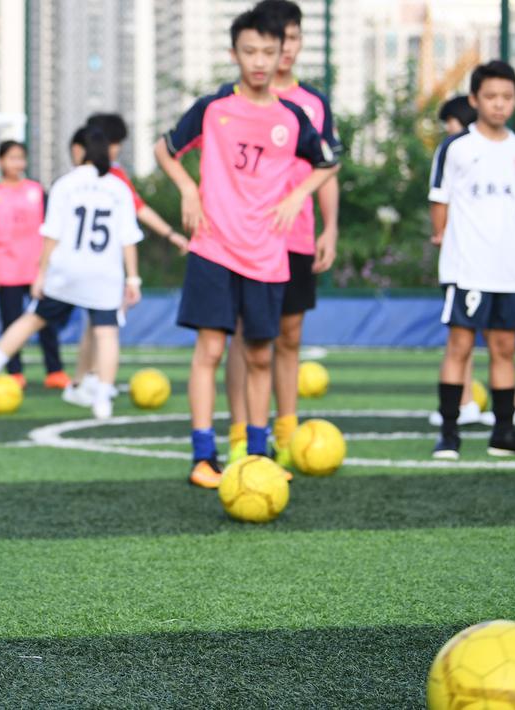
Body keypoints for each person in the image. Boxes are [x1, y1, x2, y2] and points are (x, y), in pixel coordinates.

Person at [154, 9, 339, 489]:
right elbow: (164, 148)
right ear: (233, 54)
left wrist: (299, 195)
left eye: (268, 52)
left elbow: (328, 161)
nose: (259, 61)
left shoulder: (292, 117)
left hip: (267, 255)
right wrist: (188, 190)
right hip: (213, 247)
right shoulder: (214, 108)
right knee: (211, 348)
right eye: (250, 51)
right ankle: (203, 456)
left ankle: (258, 454)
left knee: (260, 354)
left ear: (283, 55)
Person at [224, 0, 344, 467]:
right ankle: (240, 435)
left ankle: (287, 432)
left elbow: (327, 168)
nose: (286, 49)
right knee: (245, 336)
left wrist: (329, 227)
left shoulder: (313, 102)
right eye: (280, 41)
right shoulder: (231, 100)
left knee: (289, 336)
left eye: (293, 39)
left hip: (295, 237)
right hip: (246, 239)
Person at [0, 128, 143, 420]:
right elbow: (129, 237)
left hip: (68, 269)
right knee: (106, 334)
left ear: (80, 151)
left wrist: (41, 273)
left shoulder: (66, 184)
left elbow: (51, 234)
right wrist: (133, 278)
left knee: (33, 318)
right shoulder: (118, 189)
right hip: (105, 273)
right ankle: (102, 398)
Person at [428, 61, 515, 460]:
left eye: (507, 98)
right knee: (459, 346)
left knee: (504, 349)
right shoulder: (456, 148)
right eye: (491, 97)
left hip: (510, 269)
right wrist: (444, 242)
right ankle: (449, 433)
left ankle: (504, 433)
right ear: (475, 100)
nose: (500, 105)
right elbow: (440, 200)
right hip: (468, 268)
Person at [61, 114, 188, 409]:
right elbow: (139, 211)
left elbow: (138, 209)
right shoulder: (102, 177)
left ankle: (85, 379)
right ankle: (89, 380)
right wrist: (170, 235)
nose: (116, 149)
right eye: (113, 143)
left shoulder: (100, 176)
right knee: (103, 326)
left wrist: (170, 234)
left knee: (95, 325)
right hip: (99, 267)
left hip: (94, 266)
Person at [0, 140, 66, 390]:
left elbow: (53, 228)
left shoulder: (37, 191)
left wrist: (50, 263)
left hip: (38, 268)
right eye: (12, 158)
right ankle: (15, 372)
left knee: (46, 320)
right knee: (11, 321)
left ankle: (55, 370)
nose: (17, 163)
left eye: (21, 157)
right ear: (1, 161)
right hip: (7, 269)